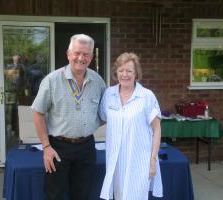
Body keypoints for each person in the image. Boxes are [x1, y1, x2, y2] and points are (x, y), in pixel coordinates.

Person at [31, 34, 106, 200]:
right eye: (77, 53)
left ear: (92, 57)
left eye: (86, 54)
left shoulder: (98, 81)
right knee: (54, 195)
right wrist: (46, 147)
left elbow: (107, 110)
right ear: (68, 54)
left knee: (82, 194)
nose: (81, 58)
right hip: (58, 147)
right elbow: (38, 113)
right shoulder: (52, 80)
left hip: (87, 147)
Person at [99, 52, 163, 200]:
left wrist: (153, 160)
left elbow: (157, 128)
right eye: (121, 70)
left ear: (136, 74)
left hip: (139, 160)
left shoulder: (146, 96)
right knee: (119, 195)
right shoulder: (109, 94)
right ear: (116, 72)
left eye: (129, 71)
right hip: (115, 160)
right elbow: (102, 117)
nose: (124, 75)